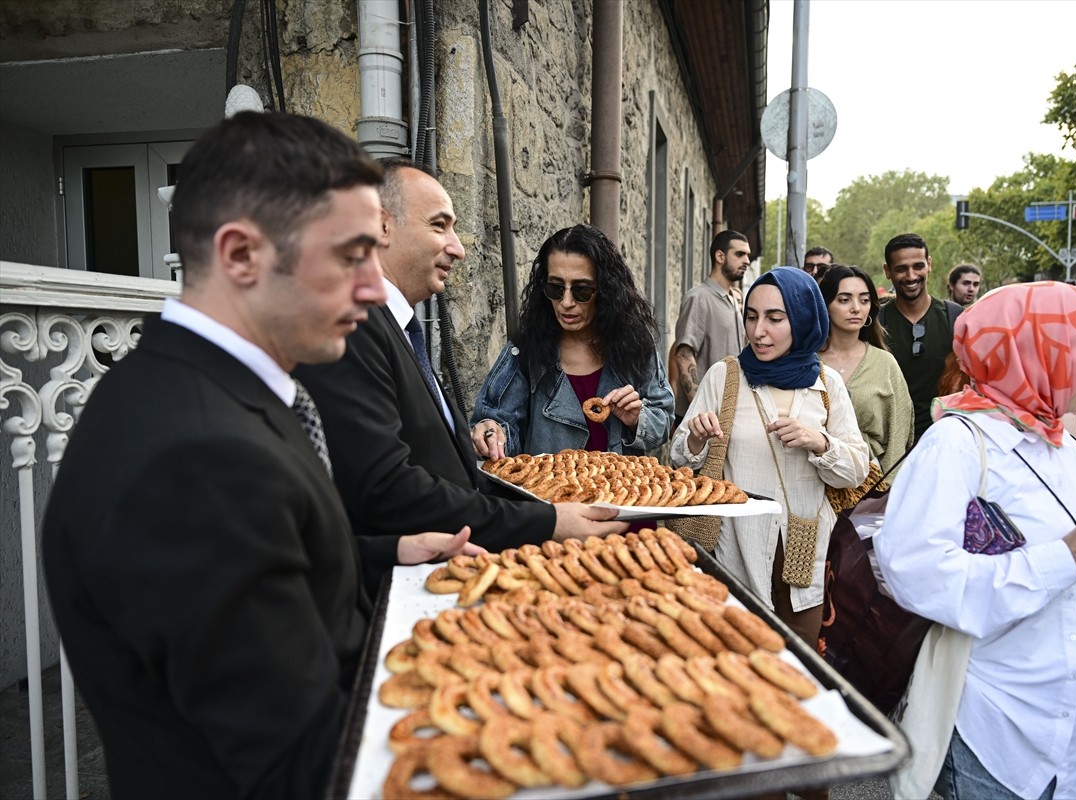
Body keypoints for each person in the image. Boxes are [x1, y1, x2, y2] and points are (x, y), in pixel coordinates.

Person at [40, 113, 482, 798]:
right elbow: (300, 764)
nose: (372, 289)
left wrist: (387, 552)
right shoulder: (199, 458)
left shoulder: (199, 387)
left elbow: (260, 574)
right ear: (242, 255)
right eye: (350, 256)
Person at [875, 280, 1076, 800]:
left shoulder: (1060, 447)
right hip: (998, 726)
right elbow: (917, 574)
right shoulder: (954, 444)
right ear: (1039, 357)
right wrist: (1064, 559)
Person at [296, 162, 625, 591]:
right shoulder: (354, 327)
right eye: (439, 226)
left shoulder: (396, 328)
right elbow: (385, 488)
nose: (458, 248)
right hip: (398, 590)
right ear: (381, 227)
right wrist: (546, 520)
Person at [670, 267, 869, 648]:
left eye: (775, 319)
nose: (758, 331)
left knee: (798, 667)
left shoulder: (827, 385)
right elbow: (681, 455)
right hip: (735, 552)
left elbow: (856, 468)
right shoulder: (725, 377)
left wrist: (821, 443)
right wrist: (696, 438)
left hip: (806, 555)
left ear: (803, 318)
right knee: (732, 662)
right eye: (751, 316)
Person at [471, 224, 673, 461]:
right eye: (555, 288)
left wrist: (638, 419)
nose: (566, 302)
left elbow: (664, 420)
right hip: (549, 494)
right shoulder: (526, 351)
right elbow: (499, 425)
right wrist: (492, 434)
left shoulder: (635, 345)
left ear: (605, 290)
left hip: (618, 494)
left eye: (582, 291)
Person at [818, 264, 913, 473]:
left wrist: (886, 488)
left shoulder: (885, 364)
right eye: (844, 300)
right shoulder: (808, 362)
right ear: (825, 304)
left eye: (864, 300)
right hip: (814, 480)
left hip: (870, 485)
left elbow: (899, 434)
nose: (856, 308)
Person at [878, 232, 964, 440]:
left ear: (929, 264)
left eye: (918, 266)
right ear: (888, 271)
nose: (910, 276)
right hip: (888, 445)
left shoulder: (954, 316)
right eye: (901, 269)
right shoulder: (875, 322)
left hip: (943, 440)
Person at [672, 229, 751, 425]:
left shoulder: (734, 300)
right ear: (720, 256)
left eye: (748, 255)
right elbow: (683, 355)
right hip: (704, 418)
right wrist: (700, 409)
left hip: (729, 413)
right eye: (740, 254)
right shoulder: (698, 297)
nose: (747, 260)